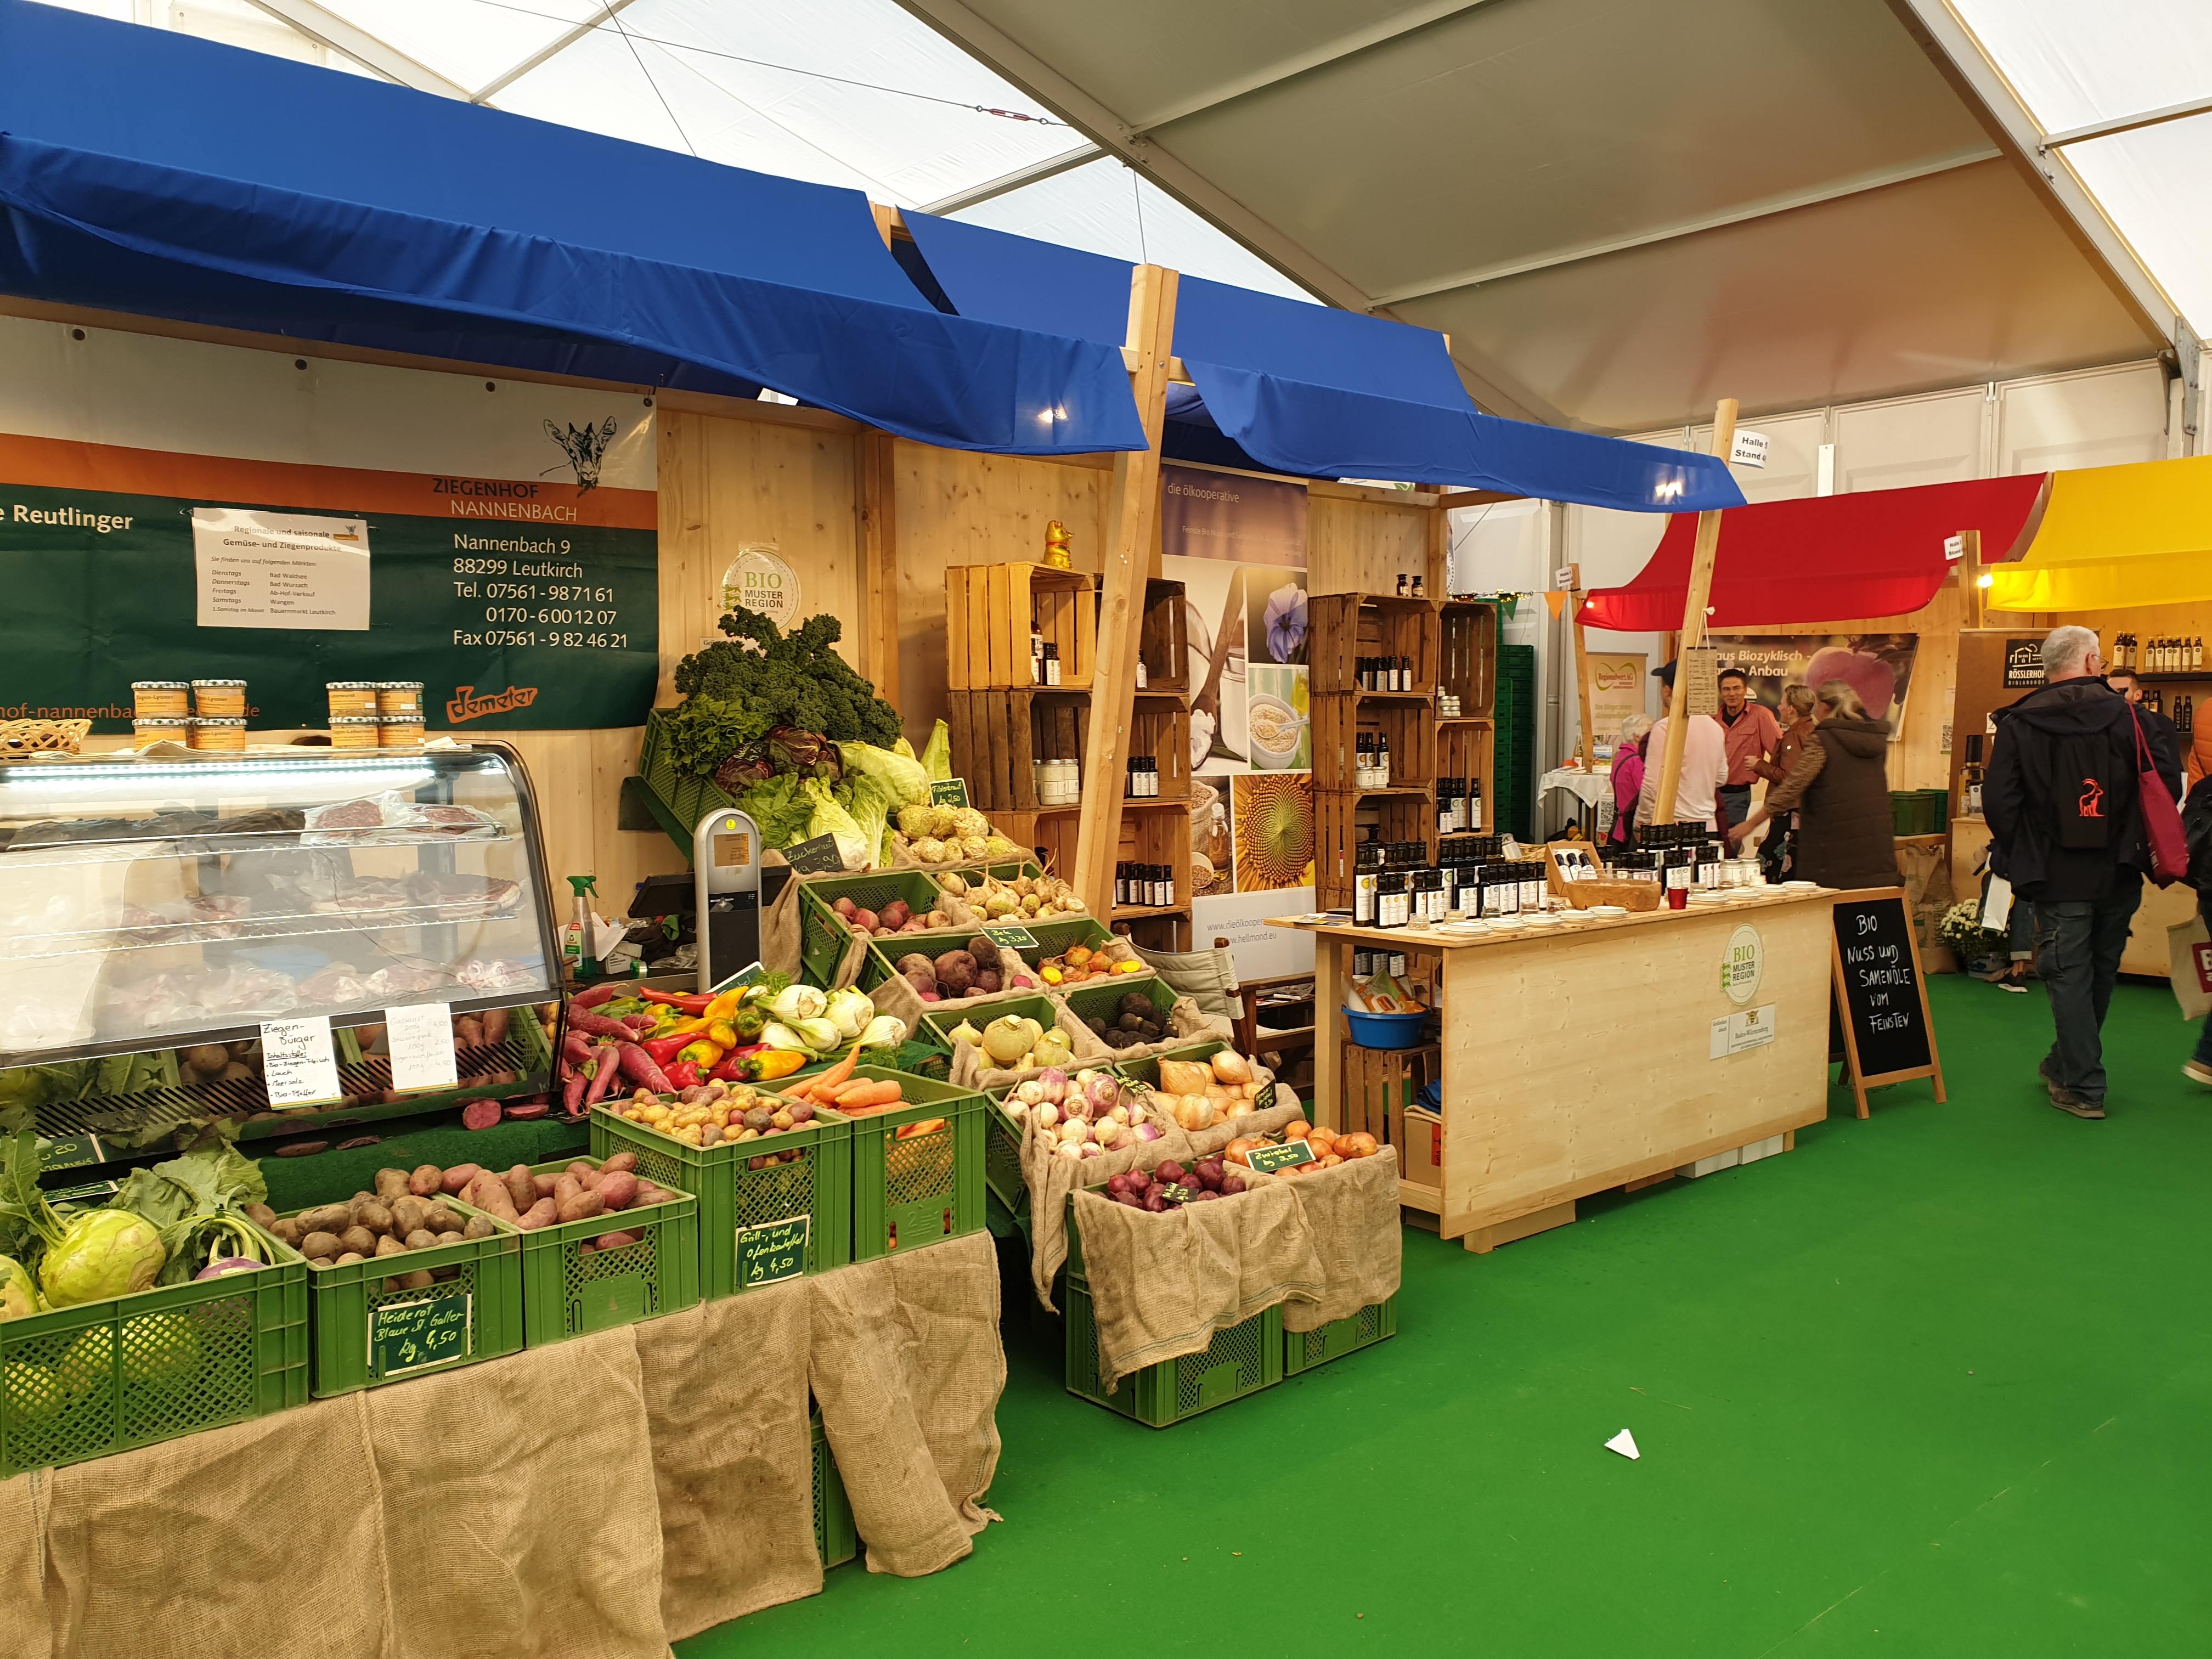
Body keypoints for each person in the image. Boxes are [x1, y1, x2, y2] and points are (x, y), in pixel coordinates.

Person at [1984, 625, 2182, 1119]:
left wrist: (2027, 849)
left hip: (2055, 871)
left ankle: (2082, 1082)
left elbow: (2000, 802)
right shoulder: (2133, 718)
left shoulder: (2018, 723)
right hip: (2119, 866)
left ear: (2048, 667)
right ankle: (2069, 1067)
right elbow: (2165, 784)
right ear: (2094, 662)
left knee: (2068, 974)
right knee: (2099, 970)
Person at [1726, 679, 1897, 890]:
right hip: (1874, 839)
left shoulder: (1824, 739)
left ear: (1824, 707)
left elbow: (1793, 785)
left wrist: (1751, 824)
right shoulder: (1875, 741)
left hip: (1834, 841)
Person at [1635, 660, 1728, 831]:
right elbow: (1721, 777)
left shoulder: (1665, 728)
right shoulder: (1715, 727)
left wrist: (1642, 820)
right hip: (1707, 826)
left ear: (1667, 690)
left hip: (1671, 825)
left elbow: (1652, 783)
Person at [1750, 683, 1814, 881]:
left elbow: (1789, 777)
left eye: (1781, 703)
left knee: (1770, 866)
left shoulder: (1793, 736)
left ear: (1791, 709)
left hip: (1788, 812)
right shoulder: (1813, 730)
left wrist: (1759, 765)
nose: (1778, 707)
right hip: (1804, 810)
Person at [1715, 667, 1781, 836]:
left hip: (1737, 796)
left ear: (1745, 690)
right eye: (1727, 689)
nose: (1732, 694)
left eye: (1737, 688)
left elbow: (1779, 753)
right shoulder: (1711, 717)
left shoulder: (1761, 715)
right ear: (1721, 692)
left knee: (1730, 844)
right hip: (1708, 795)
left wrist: (1764, 768)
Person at [1610, 713, 1652, 848]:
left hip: (1620, 826)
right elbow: (1648, 792)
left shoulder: (1621, 755)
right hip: (1633, 826)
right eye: (1650, 732)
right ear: (1637, 737)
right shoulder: (1637, 760)